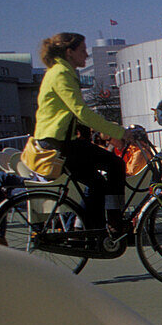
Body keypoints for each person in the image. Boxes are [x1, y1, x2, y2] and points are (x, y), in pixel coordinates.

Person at [9, 33, 131, 236]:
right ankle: (113, 222)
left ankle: (88, 230)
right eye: (82, 50)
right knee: (115, 164)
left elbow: (78, 114)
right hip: (59, 143)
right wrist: (120, 132)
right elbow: (81, 111)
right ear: (69, 52)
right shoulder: (61, 73)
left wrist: (111, 131)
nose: (86, 54)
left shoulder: (59, 71)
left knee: (96, 182)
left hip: (56, 141)